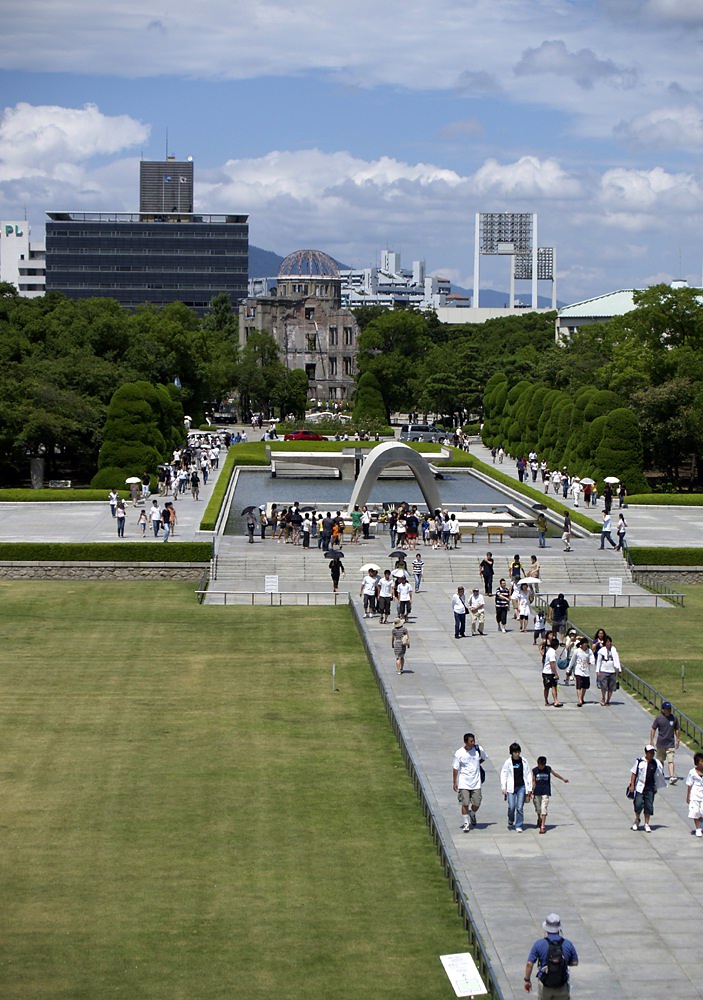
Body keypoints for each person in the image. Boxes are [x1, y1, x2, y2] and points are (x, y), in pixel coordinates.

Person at [524, 913, 578, 996]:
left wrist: (527, 980)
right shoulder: (567, 944)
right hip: (561, 984)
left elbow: (529, 964)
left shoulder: (539, 944)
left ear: (546, 929)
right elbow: (575, 962)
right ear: (559, 929)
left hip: (545, 985)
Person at [452, 733, 487, 833]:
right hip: (464, 782)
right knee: (465, 803)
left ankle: (472, 813)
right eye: (471, 741)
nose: (473, 743)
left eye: (473, 741)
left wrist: (476, 764)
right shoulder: (459, 753)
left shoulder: (478, 749)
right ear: (466, 742)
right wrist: (455, 781)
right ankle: (466, 823)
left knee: (477, 802)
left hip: (476, 782)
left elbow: (484, 758)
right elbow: (455, 768)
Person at [628, 744, 666, 832]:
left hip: (650, 788)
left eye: (653, 753)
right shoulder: (639, 761)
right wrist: (632, 785)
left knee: (648, 806)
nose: (652, 754)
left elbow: (658, 776)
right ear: (646, 753)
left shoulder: (655, 763)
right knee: (638, 804)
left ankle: (646, 823)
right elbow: (634, 773)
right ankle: (637, 820)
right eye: (650, 753)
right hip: (640, 787)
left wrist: (656, 787)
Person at [500, 742, 533, 832]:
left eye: (518, 752)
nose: (517, 754)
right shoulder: (508, 762)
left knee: (519, 807)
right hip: (511, 787)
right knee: (511, 806)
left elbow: (528, 774)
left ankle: (519, 824)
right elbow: (504, 774)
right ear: (511, 752)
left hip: (521, 787)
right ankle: (511, 819)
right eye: (515, 752)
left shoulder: (524, 761)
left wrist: (529, 788)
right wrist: (503, 787)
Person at [532, 757, 569, 834]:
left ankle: (542, 826)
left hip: (545, 791)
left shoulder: (548, 769)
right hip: (537, 792)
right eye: (539, 765)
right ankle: (539, 819)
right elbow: (533, 781)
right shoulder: (535, 770)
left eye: (542, 765)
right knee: (538, 808)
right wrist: (531, 790)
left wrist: (563, 779)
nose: (541, 767)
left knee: (544, 808)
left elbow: (555, 774)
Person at [650, 700, 681, 783]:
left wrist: (678, 739)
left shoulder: (674, 718)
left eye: (669, 709)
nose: (668, 710)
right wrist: (652, 740)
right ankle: (660, 774)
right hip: (661, 743)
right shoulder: (659, 718)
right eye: (667, 709)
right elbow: (653, 728)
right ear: (663, 709)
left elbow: (677, 729)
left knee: (671, 760)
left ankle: (672, 776)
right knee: (660, 760)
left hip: (670, 743)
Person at [595, 635, 622, 706]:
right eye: (607, 642)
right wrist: (597, 670)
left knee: (611, 687)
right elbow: (599, 661)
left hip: (612, 671)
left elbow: (617, 659)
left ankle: (608, 700)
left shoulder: (613, 650)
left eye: (610, 642)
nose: (609, 643)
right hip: (604, 670)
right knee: (603, 686)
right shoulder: (601, 651)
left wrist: (619, 669)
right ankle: (603, 698)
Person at [569, 637, 595, 707]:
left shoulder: (589, 651)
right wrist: (569, 669)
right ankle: (579, 700)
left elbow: (592, 658)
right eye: (584, 644)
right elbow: (572, 661)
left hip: (586, 671)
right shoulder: (577, 651)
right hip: (578, 670)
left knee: (585, 686)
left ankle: (582, 697)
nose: (585, 645)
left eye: (586, 643)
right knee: (579, 686)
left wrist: (591, 662)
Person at [685, 752, 703, 838]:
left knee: (702, 812)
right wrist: (688, 796)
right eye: (701, 762)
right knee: (695, 812)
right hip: (695, 795)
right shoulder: (692, 772)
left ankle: (701, 824)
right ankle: (698, 828)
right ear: (697, 762)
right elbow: (689, 784)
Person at [542, 637, 561, 708]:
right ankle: (546, 700)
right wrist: (556, 673)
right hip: (547, 672)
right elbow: (552, 664)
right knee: (546, 687)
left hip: (551, 672)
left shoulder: (550, 650)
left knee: (554, 686)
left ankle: (556, 701)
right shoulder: (552, 652)